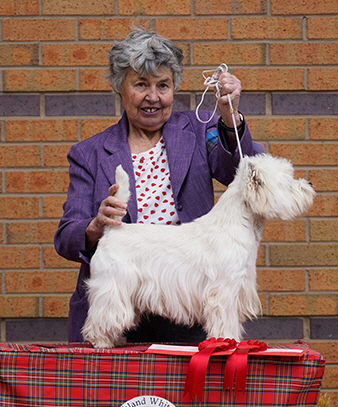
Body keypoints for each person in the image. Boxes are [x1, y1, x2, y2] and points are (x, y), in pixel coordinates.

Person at [54, 29, 264, 344]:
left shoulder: (200, 129)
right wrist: (96, 225)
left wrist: (230, 118)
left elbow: (244, 172)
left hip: (188, 307)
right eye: (141, 85)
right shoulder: (90, 153)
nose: (153, 97)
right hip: (122, 300)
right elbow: (66, 237)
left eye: (163, 85)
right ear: (119, 89)